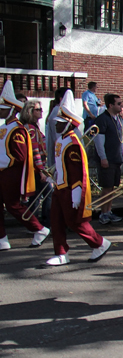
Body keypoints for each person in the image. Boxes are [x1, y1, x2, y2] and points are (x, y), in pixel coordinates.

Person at [44, 91, 111, 266]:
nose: (56, 126)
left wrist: (76, 190)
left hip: (70, 189)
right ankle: (61, 253)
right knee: (56, 221)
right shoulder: (62, 141)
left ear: (68, 124)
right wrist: (54, 177)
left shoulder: (73, 143)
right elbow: (61, 166)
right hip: (60, 187)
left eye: (60, 123)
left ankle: (99, 243)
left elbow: (77, 170)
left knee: (75, 222)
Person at [0, 81, 50, 250]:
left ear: (12, 109)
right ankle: (2, 238)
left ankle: (39, 228)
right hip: (3, 172)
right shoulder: (5, 127)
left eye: (3, 107)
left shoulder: (17, 129)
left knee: (14, 206)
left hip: (11, 173)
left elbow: (20, 156)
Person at [94, 94, 123, 224]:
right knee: (106, 187)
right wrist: (103, 157)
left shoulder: (118, 119)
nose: (121, 106)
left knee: (112, 187)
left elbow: (121, 138)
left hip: (116, 157)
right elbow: (98, 140)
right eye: (118, 104)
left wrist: (122, 152)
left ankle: (109, 211)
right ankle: (103, 213)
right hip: (107, 158)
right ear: (111, 105)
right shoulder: (102, 119)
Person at [20, 100, 50, 227]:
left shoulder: (33, 127)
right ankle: (46, 222)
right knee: (49, 193)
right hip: (36, 168)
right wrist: (41, 170)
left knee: (36, 196)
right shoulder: (30, 129)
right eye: (38, 109)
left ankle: (33, 223)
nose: (41, 112)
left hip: (36, 168)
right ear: (30, 112)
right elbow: (34, 150)